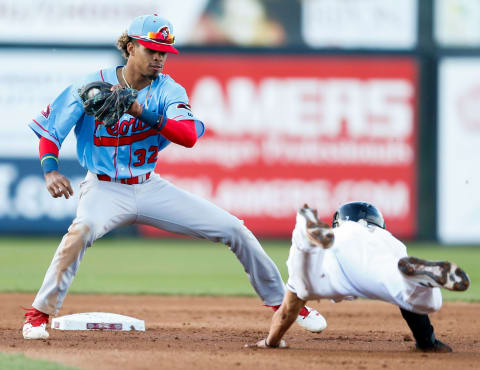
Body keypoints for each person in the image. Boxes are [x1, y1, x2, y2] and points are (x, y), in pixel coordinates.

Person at [22, 14, 326, 340]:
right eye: (151, 49)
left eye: (164, 52)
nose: (158, 57)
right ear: (129, 48)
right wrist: (50, 169)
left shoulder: (168, 90)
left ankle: (283, 302)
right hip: (103, 188)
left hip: (148, 186)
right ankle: (38, 314)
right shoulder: (89, 85)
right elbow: (51, 133)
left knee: (234, 229)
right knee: (80, 232)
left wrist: (141, 112)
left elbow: (188, 135)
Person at [247, 202, 470, 352]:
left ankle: (304, 232)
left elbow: (287, 313)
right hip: (374, 273)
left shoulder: (341, 231)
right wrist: (427, 342)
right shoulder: (390, 241)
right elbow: (412, 312)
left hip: (329, 268)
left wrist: (270, 342)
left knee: (303, 283)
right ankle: (423, 280)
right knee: (420, 299)